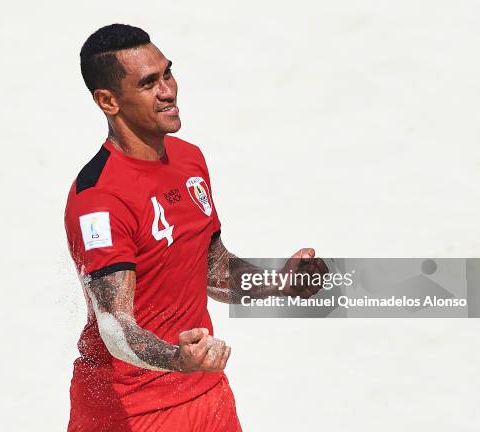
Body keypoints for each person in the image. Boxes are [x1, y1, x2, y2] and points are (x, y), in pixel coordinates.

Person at [64, 23, 327, 432]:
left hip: (206, 395)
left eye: (167, 73)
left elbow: (211, 268)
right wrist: (176, 358)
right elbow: (115, 325)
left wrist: (281, 283)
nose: (168, 91)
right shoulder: (99, 197)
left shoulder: (189, 160)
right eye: (148, 83)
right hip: (132, 411)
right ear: (108, 101)